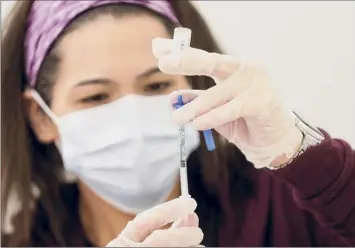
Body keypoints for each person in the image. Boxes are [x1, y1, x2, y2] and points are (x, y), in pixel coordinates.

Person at [1, 0, 354, 247]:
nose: (134, 120)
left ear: (194, 84)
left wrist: (301, 154)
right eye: (96, 97)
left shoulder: (283, 209)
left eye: (156, 86)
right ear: (40, 117)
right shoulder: (24, 241)